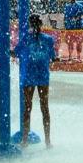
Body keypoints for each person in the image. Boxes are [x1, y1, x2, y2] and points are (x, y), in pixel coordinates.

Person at [16, 14, 56, 149]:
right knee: (44, 107)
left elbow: (16, 53)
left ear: (30, 25)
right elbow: (52, 57)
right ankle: (48, 141)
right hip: (43, 76)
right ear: (40, 24)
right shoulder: (48, 39)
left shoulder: (26, 38)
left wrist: (2, 46)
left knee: (27, 108)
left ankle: (25, 140)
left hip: (29, 75)